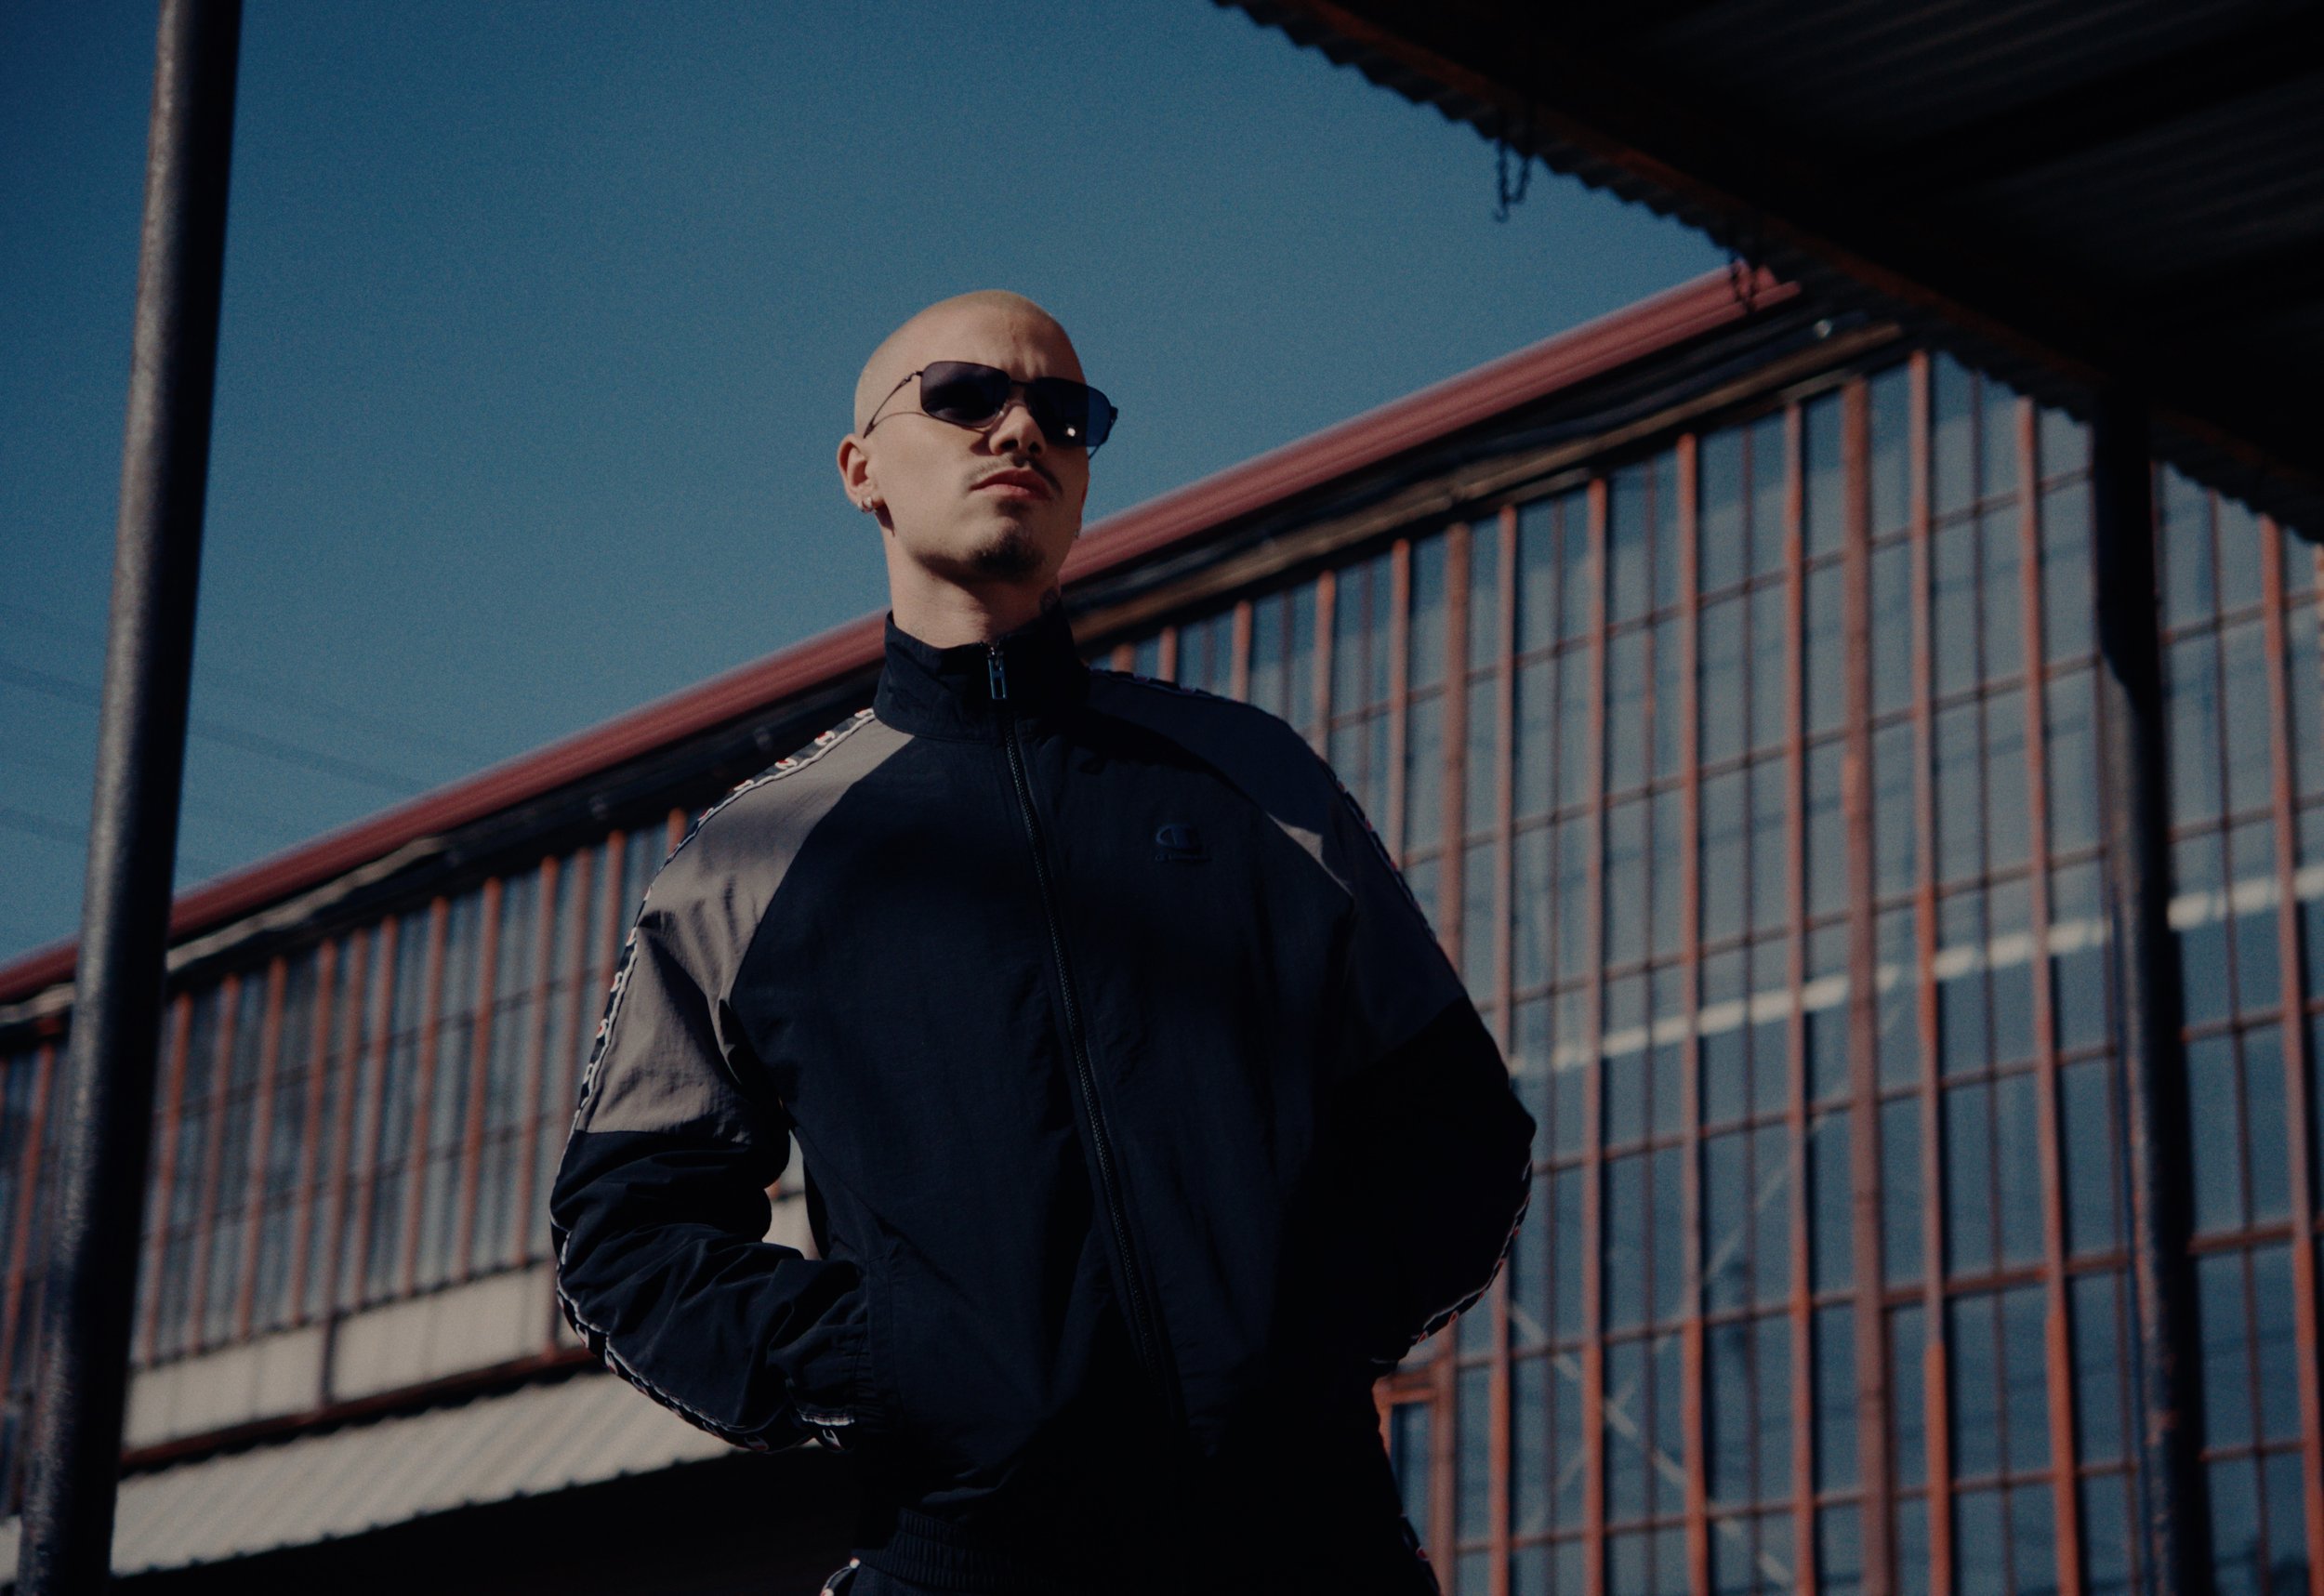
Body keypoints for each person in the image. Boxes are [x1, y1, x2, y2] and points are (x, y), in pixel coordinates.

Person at [550, 290, 1534, 1595]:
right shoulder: (750, 862)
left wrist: (1303, 1329)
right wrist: (886, 1367)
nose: (1022, 429)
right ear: (860, 471)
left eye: (1065, 413)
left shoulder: (1256, 785)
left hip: (1315, 1549)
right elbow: (625, 1234)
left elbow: (1458, 1123)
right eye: (964, 396)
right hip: (968, 1561)